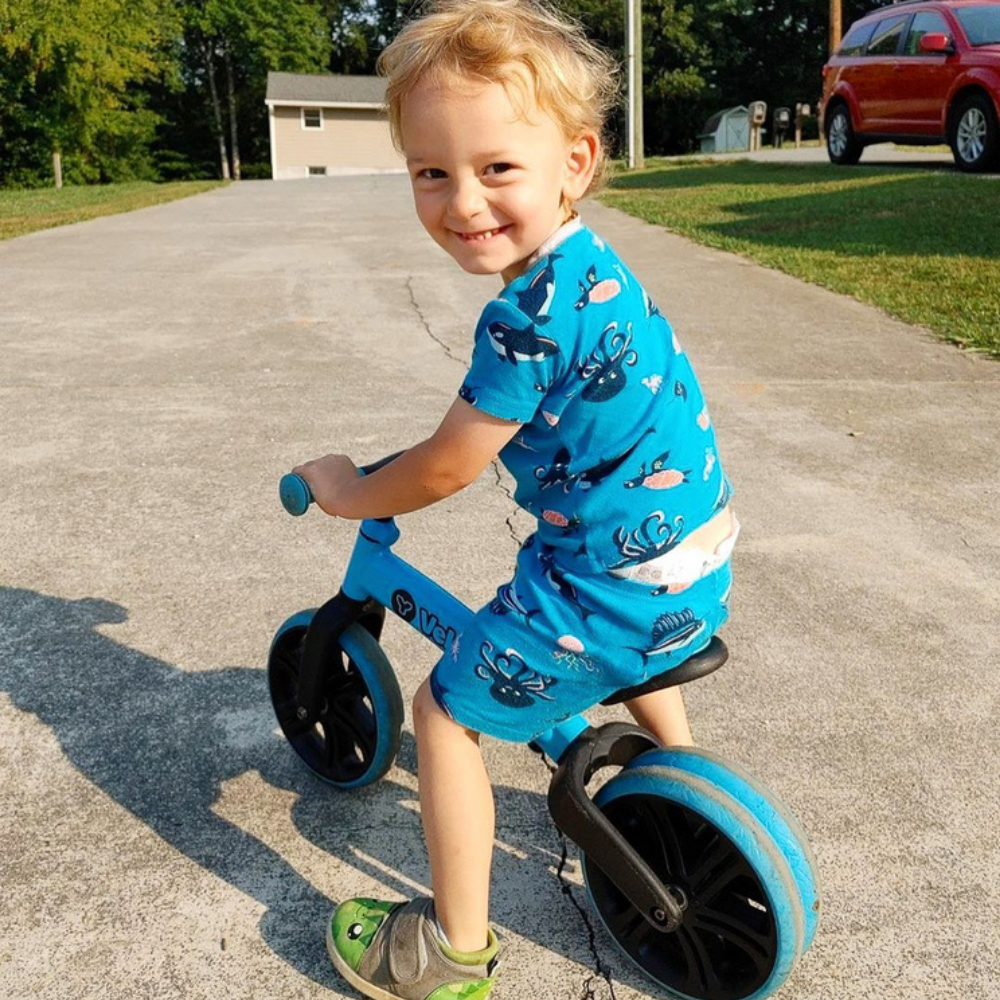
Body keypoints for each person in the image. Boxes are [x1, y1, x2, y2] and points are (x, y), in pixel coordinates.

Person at [292, 2, 738, 997]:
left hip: (608, 599)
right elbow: (488, 431)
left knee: (443, 713)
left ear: (573, 162)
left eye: (497, 169)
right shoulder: (596, 272)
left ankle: (450, 953)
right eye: (431, 172)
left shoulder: (523, 320)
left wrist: (348, 490)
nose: (462, 202)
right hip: (692, 571)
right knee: (573, 573)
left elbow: (449, 467)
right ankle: (684, 779)